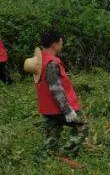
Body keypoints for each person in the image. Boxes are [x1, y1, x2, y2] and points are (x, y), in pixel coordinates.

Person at [26, 30, 90, 160]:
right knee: (83, 126)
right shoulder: (52, 63)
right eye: (61, 42)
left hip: (47, 108)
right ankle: (65, 153)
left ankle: (44, 159)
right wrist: (66, 110)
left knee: (51, 139)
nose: (62, 44)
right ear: (55, 44)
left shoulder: (40, 60)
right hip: (59, 108)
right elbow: (55, 88)